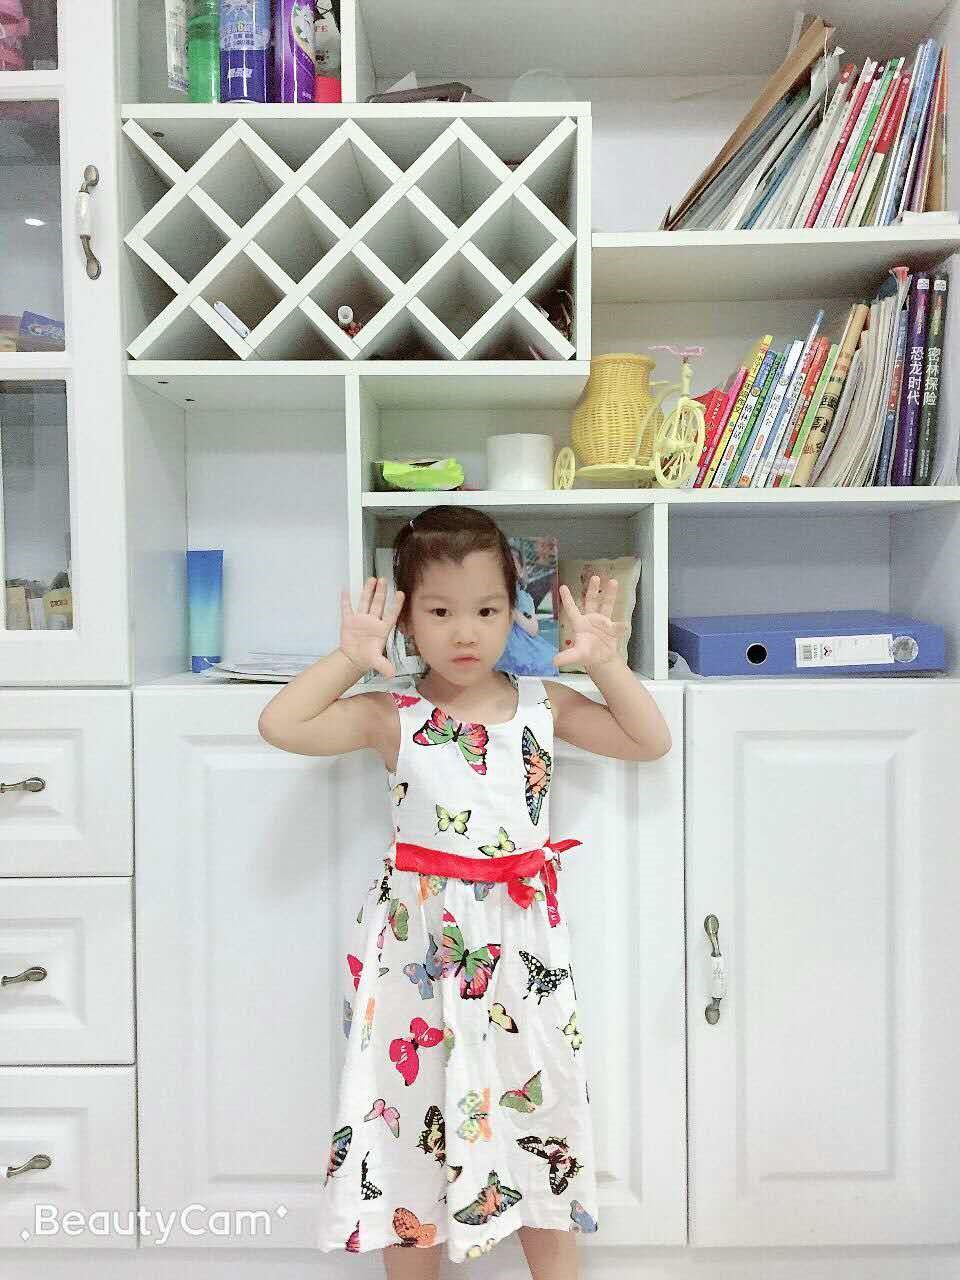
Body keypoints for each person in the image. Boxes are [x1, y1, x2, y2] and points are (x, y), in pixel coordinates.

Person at [257, 506, 672, 1279]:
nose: (464, 632)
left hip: (519, 952)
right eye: (440, 611)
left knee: (538, 1115)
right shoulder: (392, 715)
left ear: (514, 612)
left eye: (486, 609)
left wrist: (607, 664)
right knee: (410, 1124)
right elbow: (282, 723)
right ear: (407, 621)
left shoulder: (546, 704)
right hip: (415, 957)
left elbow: (649, 741)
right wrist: (349, 658)